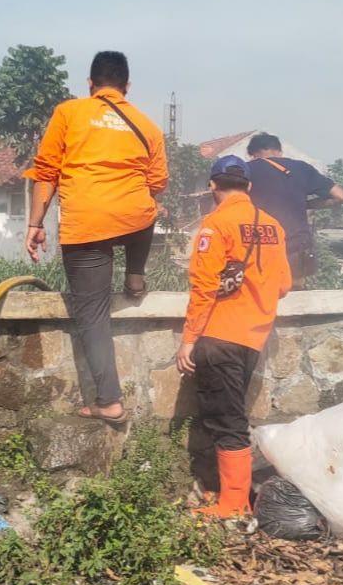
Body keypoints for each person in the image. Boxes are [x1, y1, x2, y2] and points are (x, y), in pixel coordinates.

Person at [24, 51, 168, 424]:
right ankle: (135, 274)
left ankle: (108, 401)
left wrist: (35, 224)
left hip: (86, 223)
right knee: (145, 209)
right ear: (127, 86)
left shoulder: (70, 112)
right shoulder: (147, 125)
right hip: (136, 222)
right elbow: (157, 185)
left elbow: (46, 172)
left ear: (90, 84)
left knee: (92, 315)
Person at [176, 155, 291, 518]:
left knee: (227, 420)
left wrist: (189, 339)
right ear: (250, 187)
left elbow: (204, 287)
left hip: (219, 336)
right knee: (231, 414)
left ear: (213, 186)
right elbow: (284, 285)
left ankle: (234, 505)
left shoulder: (215, 225)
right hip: (253, 337)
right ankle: (232, 497)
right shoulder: (273, 226)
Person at [245, 133, 343, 288]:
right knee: (295, 298)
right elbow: (341, 196)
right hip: (297, 247)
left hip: (260, 246)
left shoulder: (247, 169)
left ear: (255, 153)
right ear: (279, 150)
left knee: (259, 296)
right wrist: (306, 204)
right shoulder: (302, 168)